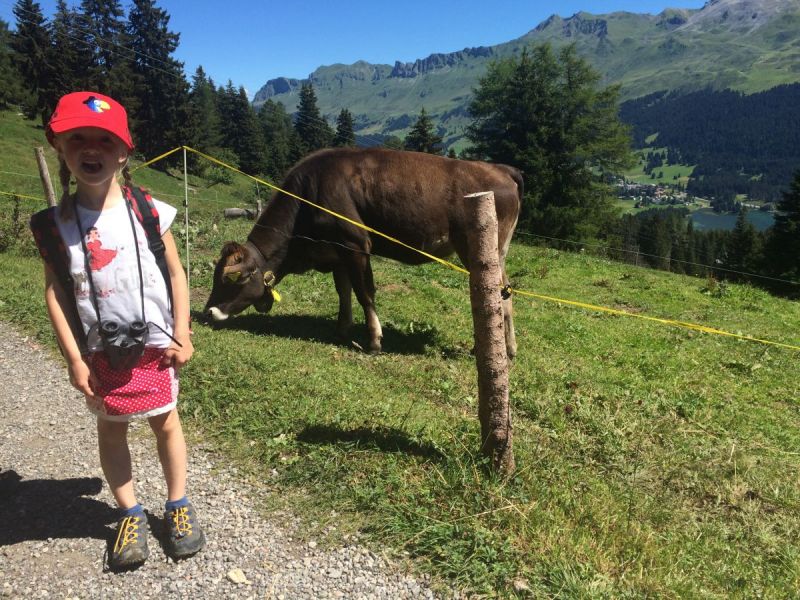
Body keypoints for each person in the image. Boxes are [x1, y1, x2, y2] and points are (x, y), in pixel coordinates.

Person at [35, 91, 205, 569]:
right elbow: (55, 291)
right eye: (78, 139)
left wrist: (183, 332)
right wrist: (73, 357)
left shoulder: (150, 210)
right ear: (60, 148)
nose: (91, 149)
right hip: (100, 350)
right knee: (112, 430)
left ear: (123, 151)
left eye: (104, 140)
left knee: (165, 422)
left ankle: (178, 504)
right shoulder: (54, 225)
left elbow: (176, 273)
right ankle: (129, 511)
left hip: (155, 344)